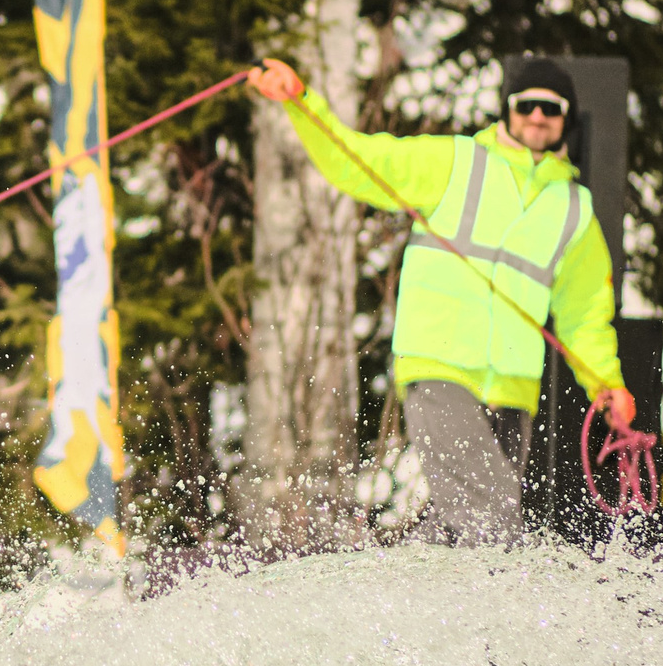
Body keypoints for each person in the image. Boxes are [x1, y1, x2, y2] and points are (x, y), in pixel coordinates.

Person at [249, 53, 636, 545]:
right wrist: (302, 103)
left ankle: (392, 602)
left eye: (551, 107)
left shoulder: (575, 211)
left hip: (513, 392)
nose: (538, 116)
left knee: (461, 532)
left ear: (566, 118)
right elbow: (358, 162)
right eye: (527, 104)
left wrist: (607, 383)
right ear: (507, 109)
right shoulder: (455, 161)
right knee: (491, 520)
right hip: (440, 370)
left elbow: (586, 317)